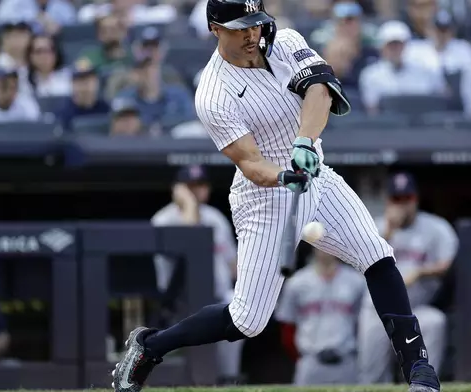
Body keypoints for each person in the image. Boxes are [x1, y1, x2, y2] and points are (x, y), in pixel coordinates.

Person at [111, 1, 441, 392]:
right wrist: (286, 174)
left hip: (316, 174)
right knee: (247, 321)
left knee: (378, 254)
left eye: (255, 24)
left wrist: (304, 142)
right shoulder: (213, 93)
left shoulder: (284, 41)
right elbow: (250, 163)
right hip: (263, 199)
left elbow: (319, 89)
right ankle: (150, 346)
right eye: (239, 27)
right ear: (215, 28)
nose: (252, 34)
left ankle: (419, 369)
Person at [150, 165, 243, 384]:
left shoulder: (215, 217)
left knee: (240, 310)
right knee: (188, 359)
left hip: (218, 295)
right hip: (180, 303)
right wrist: (189, 205)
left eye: (200, 185)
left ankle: (228, 379)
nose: (196, 191)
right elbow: (190, 241)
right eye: (189, 186)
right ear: (177, 189)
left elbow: (232, 262)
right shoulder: (164, 219)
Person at [359, 173, 456, 383]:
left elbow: (447, 264)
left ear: (416, 199)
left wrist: (421, 272)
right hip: (376, 310)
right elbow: (358, 259)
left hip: (417, 308)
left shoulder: (436, 227)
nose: (402, 205)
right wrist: (389, 231)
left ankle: (424, 384)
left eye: (407, 199)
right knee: (371, 375)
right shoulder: (373, 226)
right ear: (388, 201)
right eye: (397, 199)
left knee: (435, 322)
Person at [275, 249, 365, 385]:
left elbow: (363, 324)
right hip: (310, 361)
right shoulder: (297, 282)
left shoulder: (356, 281)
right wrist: (300, 357)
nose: (325, 248)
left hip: (346, 360)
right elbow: (287, 328)